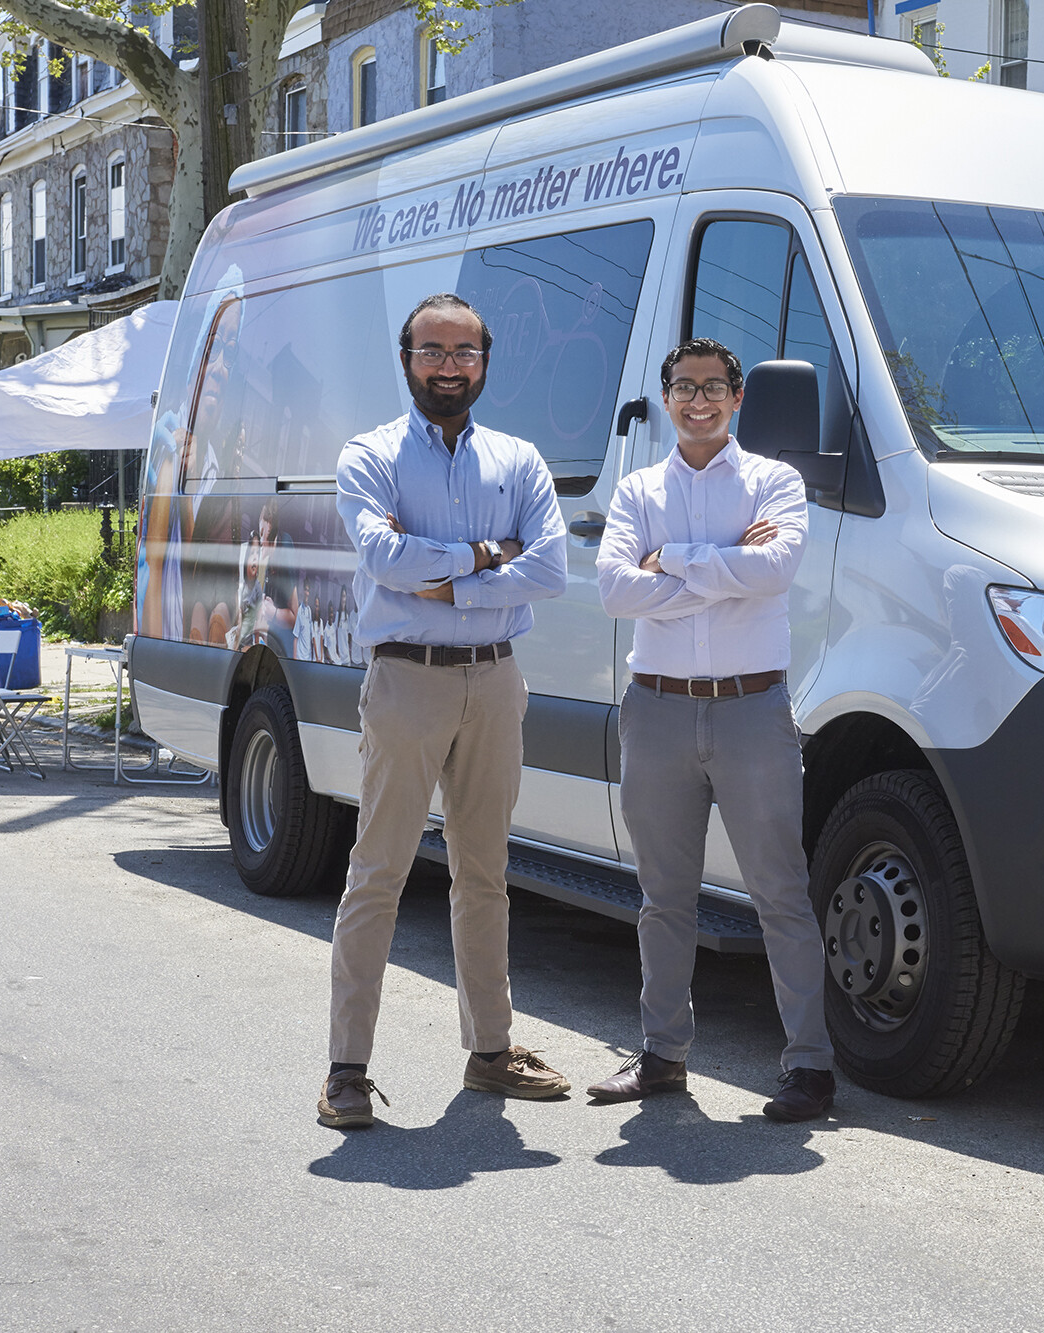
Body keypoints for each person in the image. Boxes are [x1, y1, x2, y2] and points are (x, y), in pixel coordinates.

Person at [318, 292, 570, 1130]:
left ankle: (491, 1050)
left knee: (485, 873)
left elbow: (551, 569)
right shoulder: (371, 455)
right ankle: (346, 1070)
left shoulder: (518, 459)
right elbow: (383, 557)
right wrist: (490, 553)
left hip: (495, 680)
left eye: (465, 351)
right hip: (407, 680)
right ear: (406, 360)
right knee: (379, 871)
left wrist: (450, 580)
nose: (450, 366)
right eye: (433, 350)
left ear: (486, 362)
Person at [588, 337, 837, 1124]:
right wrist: (725, 566)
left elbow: (775, 570)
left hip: (751, 709)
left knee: (780, 893)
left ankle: (810, 1065)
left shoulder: (774, 482)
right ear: (666, 398)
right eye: (685, 387)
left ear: (737, 398)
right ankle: (662, 1056)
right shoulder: (637, 490)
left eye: (713, 387)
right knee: (664, 897)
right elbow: (614, 591)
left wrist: (669, 561)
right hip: (656, 709)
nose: (699, 400)